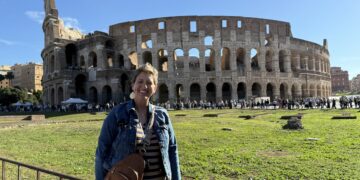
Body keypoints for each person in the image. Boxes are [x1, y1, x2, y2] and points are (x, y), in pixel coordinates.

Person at [95, 63, 181, 180]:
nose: (144, 86)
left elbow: (172, 150)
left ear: (155, 88)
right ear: (133, 85)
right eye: (140, 81)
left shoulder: (162, 115)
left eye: (149, 83)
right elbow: (102, 152)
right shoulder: (117, 114)